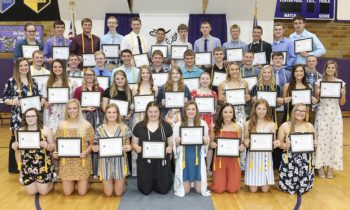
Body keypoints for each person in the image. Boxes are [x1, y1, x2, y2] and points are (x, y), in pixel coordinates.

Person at [3, 58, 40, 173]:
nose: (24, 67)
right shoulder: (11, 81)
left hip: (32, 117)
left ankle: (33, 166)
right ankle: (20, 169)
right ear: (17, 68)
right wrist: (12, 102)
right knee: (19, 142)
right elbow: (5, 98)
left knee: (33, 140)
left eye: (26, 65)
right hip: (18, 116)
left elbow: (37, 97)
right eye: (21, 66)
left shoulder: (33, 81)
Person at [53, 99, 94, 196]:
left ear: (79, 109)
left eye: (74, 108)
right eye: (69, 108)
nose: (72, 111)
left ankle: (84, 182)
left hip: (81, 161)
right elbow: (57, 143)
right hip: (67, 162)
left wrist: (86, 152)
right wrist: (55, 152)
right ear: (67, 110)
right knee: (67, 193)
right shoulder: (62, 125)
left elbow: (92, 144)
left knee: (82, 192)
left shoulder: (86, 125)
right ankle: (76, 183)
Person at [132, 102, 173, 195]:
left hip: (162, 163)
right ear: (146, 112)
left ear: (159, 112)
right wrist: (136, 147)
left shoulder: (166, 126)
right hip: (145, 163)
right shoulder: (139, 126)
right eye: (150, 112)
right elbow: (134, 143)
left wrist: (170, 147)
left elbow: (170, 142)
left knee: (164, 191)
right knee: (145, 191)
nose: (153, 114)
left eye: (156, 111)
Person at [275, 104, 317, 195]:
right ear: (293, 112)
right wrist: (285, 145)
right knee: (288, 187)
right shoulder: (285, 126)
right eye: (298, 110)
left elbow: (313, 144)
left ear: (306, 113)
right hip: (289, 160)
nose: (300, 113)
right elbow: (279, 144)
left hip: (305, 160)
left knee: (304, 187)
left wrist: (315, 144)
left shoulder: (309, 126)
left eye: (303, 111)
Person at [315, 60, 346, 179]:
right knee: (321, 138)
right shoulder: (319, 82)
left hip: (335, 114)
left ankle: (331, 167)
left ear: (335, 69)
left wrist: (343, 94)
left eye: (333, 68)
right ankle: (321, 166)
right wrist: (317, 93)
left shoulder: (341, 83)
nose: (330, 70)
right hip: (322, 112)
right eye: (328, 68)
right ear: (325, 69)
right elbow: (316, 100)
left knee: (334, 139)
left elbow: (342, 103)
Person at [12, 108, 55, 195]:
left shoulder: (45, 130)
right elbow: (18, 153)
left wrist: (47, 146)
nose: (30, 118)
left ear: (37, 117)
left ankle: (52, 179)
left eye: (32, 116)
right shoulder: (20, 131)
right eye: (28, 116)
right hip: (27, 166)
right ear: (25, 118)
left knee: (43, 192)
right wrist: (15, 147)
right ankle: (38, 181)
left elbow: (53, 147)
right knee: (32, 192)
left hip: (43, 165)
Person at [92, 104, 132, 196]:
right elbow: (95, 146)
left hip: (120, 162)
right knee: (108, 194)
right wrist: (95, 148)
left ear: (118, 114)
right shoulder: (99, 129)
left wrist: (129, 147)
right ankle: (116, 182)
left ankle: (122, 183)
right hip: (105, 162)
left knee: (118, 194)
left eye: (114, 112)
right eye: (109, 112)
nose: (111, 115)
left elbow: (128, 145)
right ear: (105, 114)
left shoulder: (124, 128)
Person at [173, 101, 211, 197]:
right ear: (185, 111)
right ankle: (187, 181)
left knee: (199, 190)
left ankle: (196, 180)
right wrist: (177, 142)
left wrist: (206, 141)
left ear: (197, 110)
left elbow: (206, 140)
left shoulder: (203, 123)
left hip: (197, 154)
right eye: (188, 109)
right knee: (185, 191)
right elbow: (174, 142)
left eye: (193, 109)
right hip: (185, 156)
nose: (191, 111)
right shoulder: (179, 124)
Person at [73, 68, 104, 179]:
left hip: (98, 117)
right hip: (84, 117)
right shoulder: (78, 90)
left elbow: (102, 105)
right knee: (87, 143)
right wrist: (86, 108)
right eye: (86, 74)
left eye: (91, 74)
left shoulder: (100, 89)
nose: (89, 76)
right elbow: (74, 106)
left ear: (94, 76)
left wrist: (98, 105)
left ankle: (96, 171)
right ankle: (87, 170)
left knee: (96, 142)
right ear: (84, 76)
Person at [218, 62, 250, 169]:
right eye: (232, 69)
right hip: (227, 114)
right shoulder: (222, 84)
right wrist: (222, 100)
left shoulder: (244, 83)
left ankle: (241, 166)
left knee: (241, 138)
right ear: (228, 71)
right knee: (228, 136)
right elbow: (219, 102)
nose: (234, 71)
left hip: (241, 114)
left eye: (236, 69)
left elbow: (247, 98)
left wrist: (247, 97)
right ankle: (228, 164)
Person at [243, 99, 277, 193]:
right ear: (255, 109)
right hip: (253, 157)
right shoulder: (248, 123)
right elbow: (245, 141)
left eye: (264, 109)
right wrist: (246, 143)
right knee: (253, 190)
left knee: (265, 190)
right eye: (259, 108)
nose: (261, 111)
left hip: (266, 156)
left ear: (267, 110)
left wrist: (276, 143)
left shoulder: (272, 124)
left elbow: (273, 143)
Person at [130, 65, 158, 176]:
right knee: (136, 142)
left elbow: (155, 105)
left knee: (150, 140)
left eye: (147, 73)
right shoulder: (135, 88)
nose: (145, 75)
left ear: (150, 74)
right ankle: (137, 170)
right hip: (138, 117)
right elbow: (133, 103)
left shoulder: (155, 88)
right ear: (140, 75)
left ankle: (151, 168)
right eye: (143, 73)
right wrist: (132, 106)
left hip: (151, 118)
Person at [209, 103, 243, 193]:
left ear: (233, 114)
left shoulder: (238, 128)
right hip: (220, 160)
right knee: (219, 189)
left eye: (230, 112)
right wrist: (212, 144)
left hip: (233, 159)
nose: (228, 114)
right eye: (225, 112)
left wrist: (241, 147)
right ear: (221, 113)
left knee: (233, 190)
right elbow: (210, 143)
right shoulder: (215, 127)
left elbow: (240, 144)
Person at [191, 72, 217, 176]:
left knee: (209, 144)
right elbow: (191, 107)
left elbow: (214, 108)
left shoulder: (213, 93)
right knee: (196, 143)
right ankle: (195, 167)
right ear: (199, 80)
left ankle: (207, 168)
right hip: (197, 120)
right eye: (203, 78)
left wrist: (213, 111)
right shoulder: (194, 93)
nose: (205, 80)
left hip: (209, 121)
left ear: (210, 81)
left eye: (207, 78)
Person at [42, 59, 77, 133]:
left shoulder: (72, 82)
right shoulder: (46, 82)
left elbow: (75, 100)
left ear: (64, 68)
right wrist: (45, 103)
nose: (57, 69)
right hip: (51, 114)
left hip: (67, 113)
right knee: (52, 136)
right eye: (55, 67)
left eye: (60, 67)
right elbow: (44, 98)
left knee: (66, 134)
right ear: (52, 69)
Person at [272, 52, 291, 127]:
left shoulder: (288, 73)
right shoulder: (267, 72)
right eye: (275, 58)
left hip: (283, 105)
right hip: (270, 105)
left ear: (283, 60)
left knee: (281, 126)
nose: (278, 60)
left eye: (280, 58)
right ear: (272, 60)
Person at [305, 55, 322, 124]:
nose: (311, 63)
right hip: (303, 105)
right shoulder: (301, 75)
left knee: (314, 127)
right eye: (309, 61)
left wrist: (318, 99)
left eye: (313, 61)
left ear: (316, 62)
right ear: (306, 63)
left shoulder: (321, 77)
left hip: (316, 106)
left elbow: (323, 92)